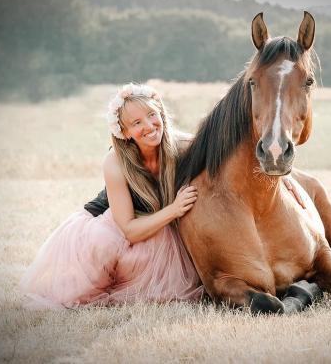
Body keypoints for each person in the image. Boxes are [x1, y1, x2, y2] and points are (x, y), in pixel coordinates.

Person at [19, 83, 204, 309]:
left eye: (152, 115)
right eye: (136, 123)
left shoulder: (184, 146)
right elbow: (129, 230)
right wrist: (174, 210)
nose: (149, 126)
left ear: (161, 113)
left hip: (155, 223)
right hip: (115, 226)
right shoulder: (115, 161)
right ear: (124, 133)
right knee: (101, 248)